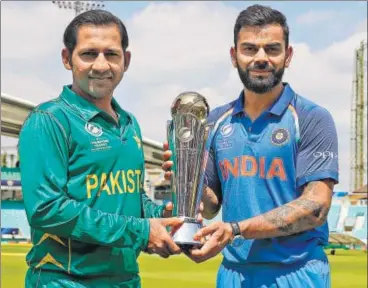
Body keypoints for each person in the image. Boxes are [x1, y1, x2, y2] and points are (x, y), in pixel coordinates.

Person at [163, 4, 339, 288]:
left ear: (288, 55)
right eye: (249, 49)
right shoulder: (214, 121)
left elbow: (315, 207)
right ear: (234, 56)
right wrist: (187, 179)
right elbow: (210, 208)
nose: (261, 58)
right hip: (234, 274)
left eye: (271, 49)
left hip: (296, 272)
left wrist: (235, 229)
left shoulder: (310, 117)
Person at [18, 9, 183, 288]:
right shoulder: (49, 121)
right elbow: (47, 209)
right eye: (89, 54)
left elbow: (131, 197)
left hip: (126, 280)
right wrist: (140, 232)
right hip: (65, 281)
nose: (101, 65)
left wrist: (164, 218)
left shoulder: (130, 124)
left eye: (111, 54)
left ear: (126, 60)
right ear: (66, 58)